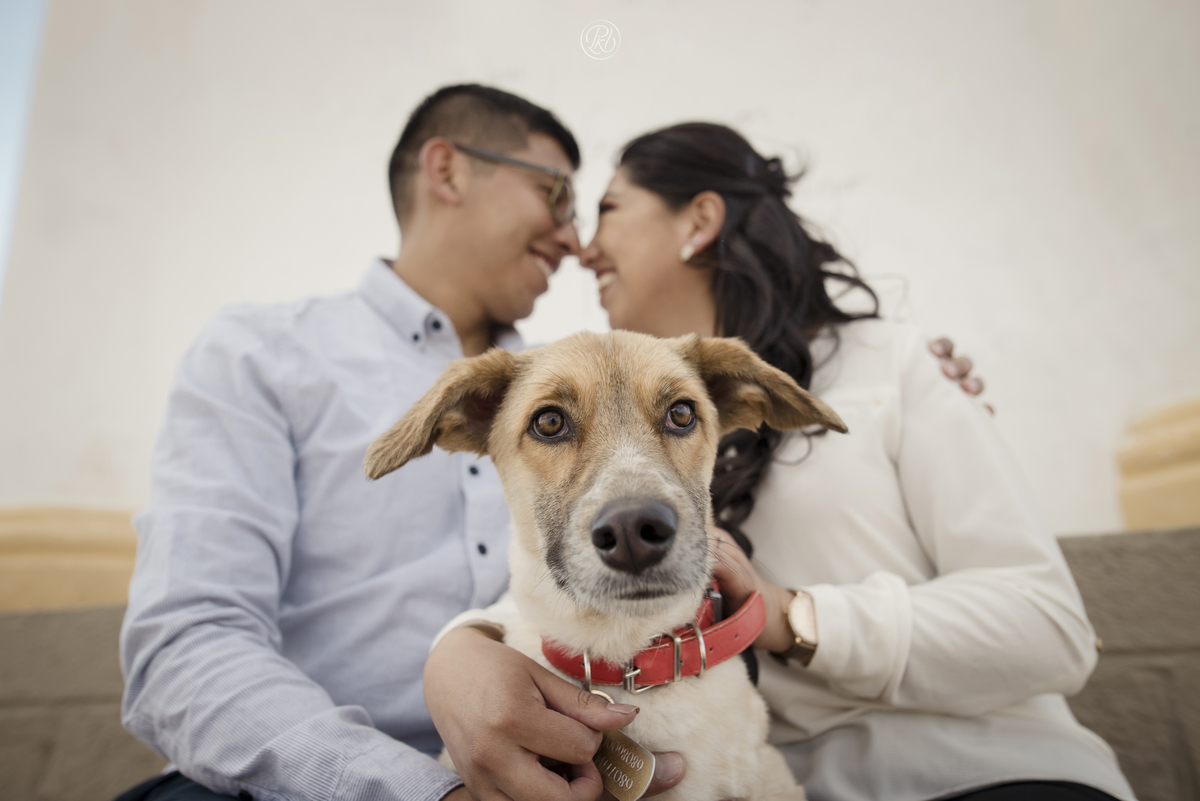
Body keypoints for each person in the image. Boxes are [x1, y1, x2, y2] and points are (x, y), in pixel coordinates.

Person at [425, 123, 1136, 801]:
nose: (582, 247)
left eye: (607, 209)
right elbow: (575, 576)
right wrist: (459, 648)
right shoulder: (625, 425)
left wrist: (789, 616)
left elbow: (1051, 625)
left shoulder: (892, 363)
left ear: (700, 220)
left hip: (989, 773)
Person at [114, 84, 685, 801]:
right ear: (447, 170)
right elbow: (186, 645)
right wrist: (426, 791)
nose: (573, 239)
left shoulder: (580, 389)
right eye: (556, 195)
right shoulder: (260, 354)